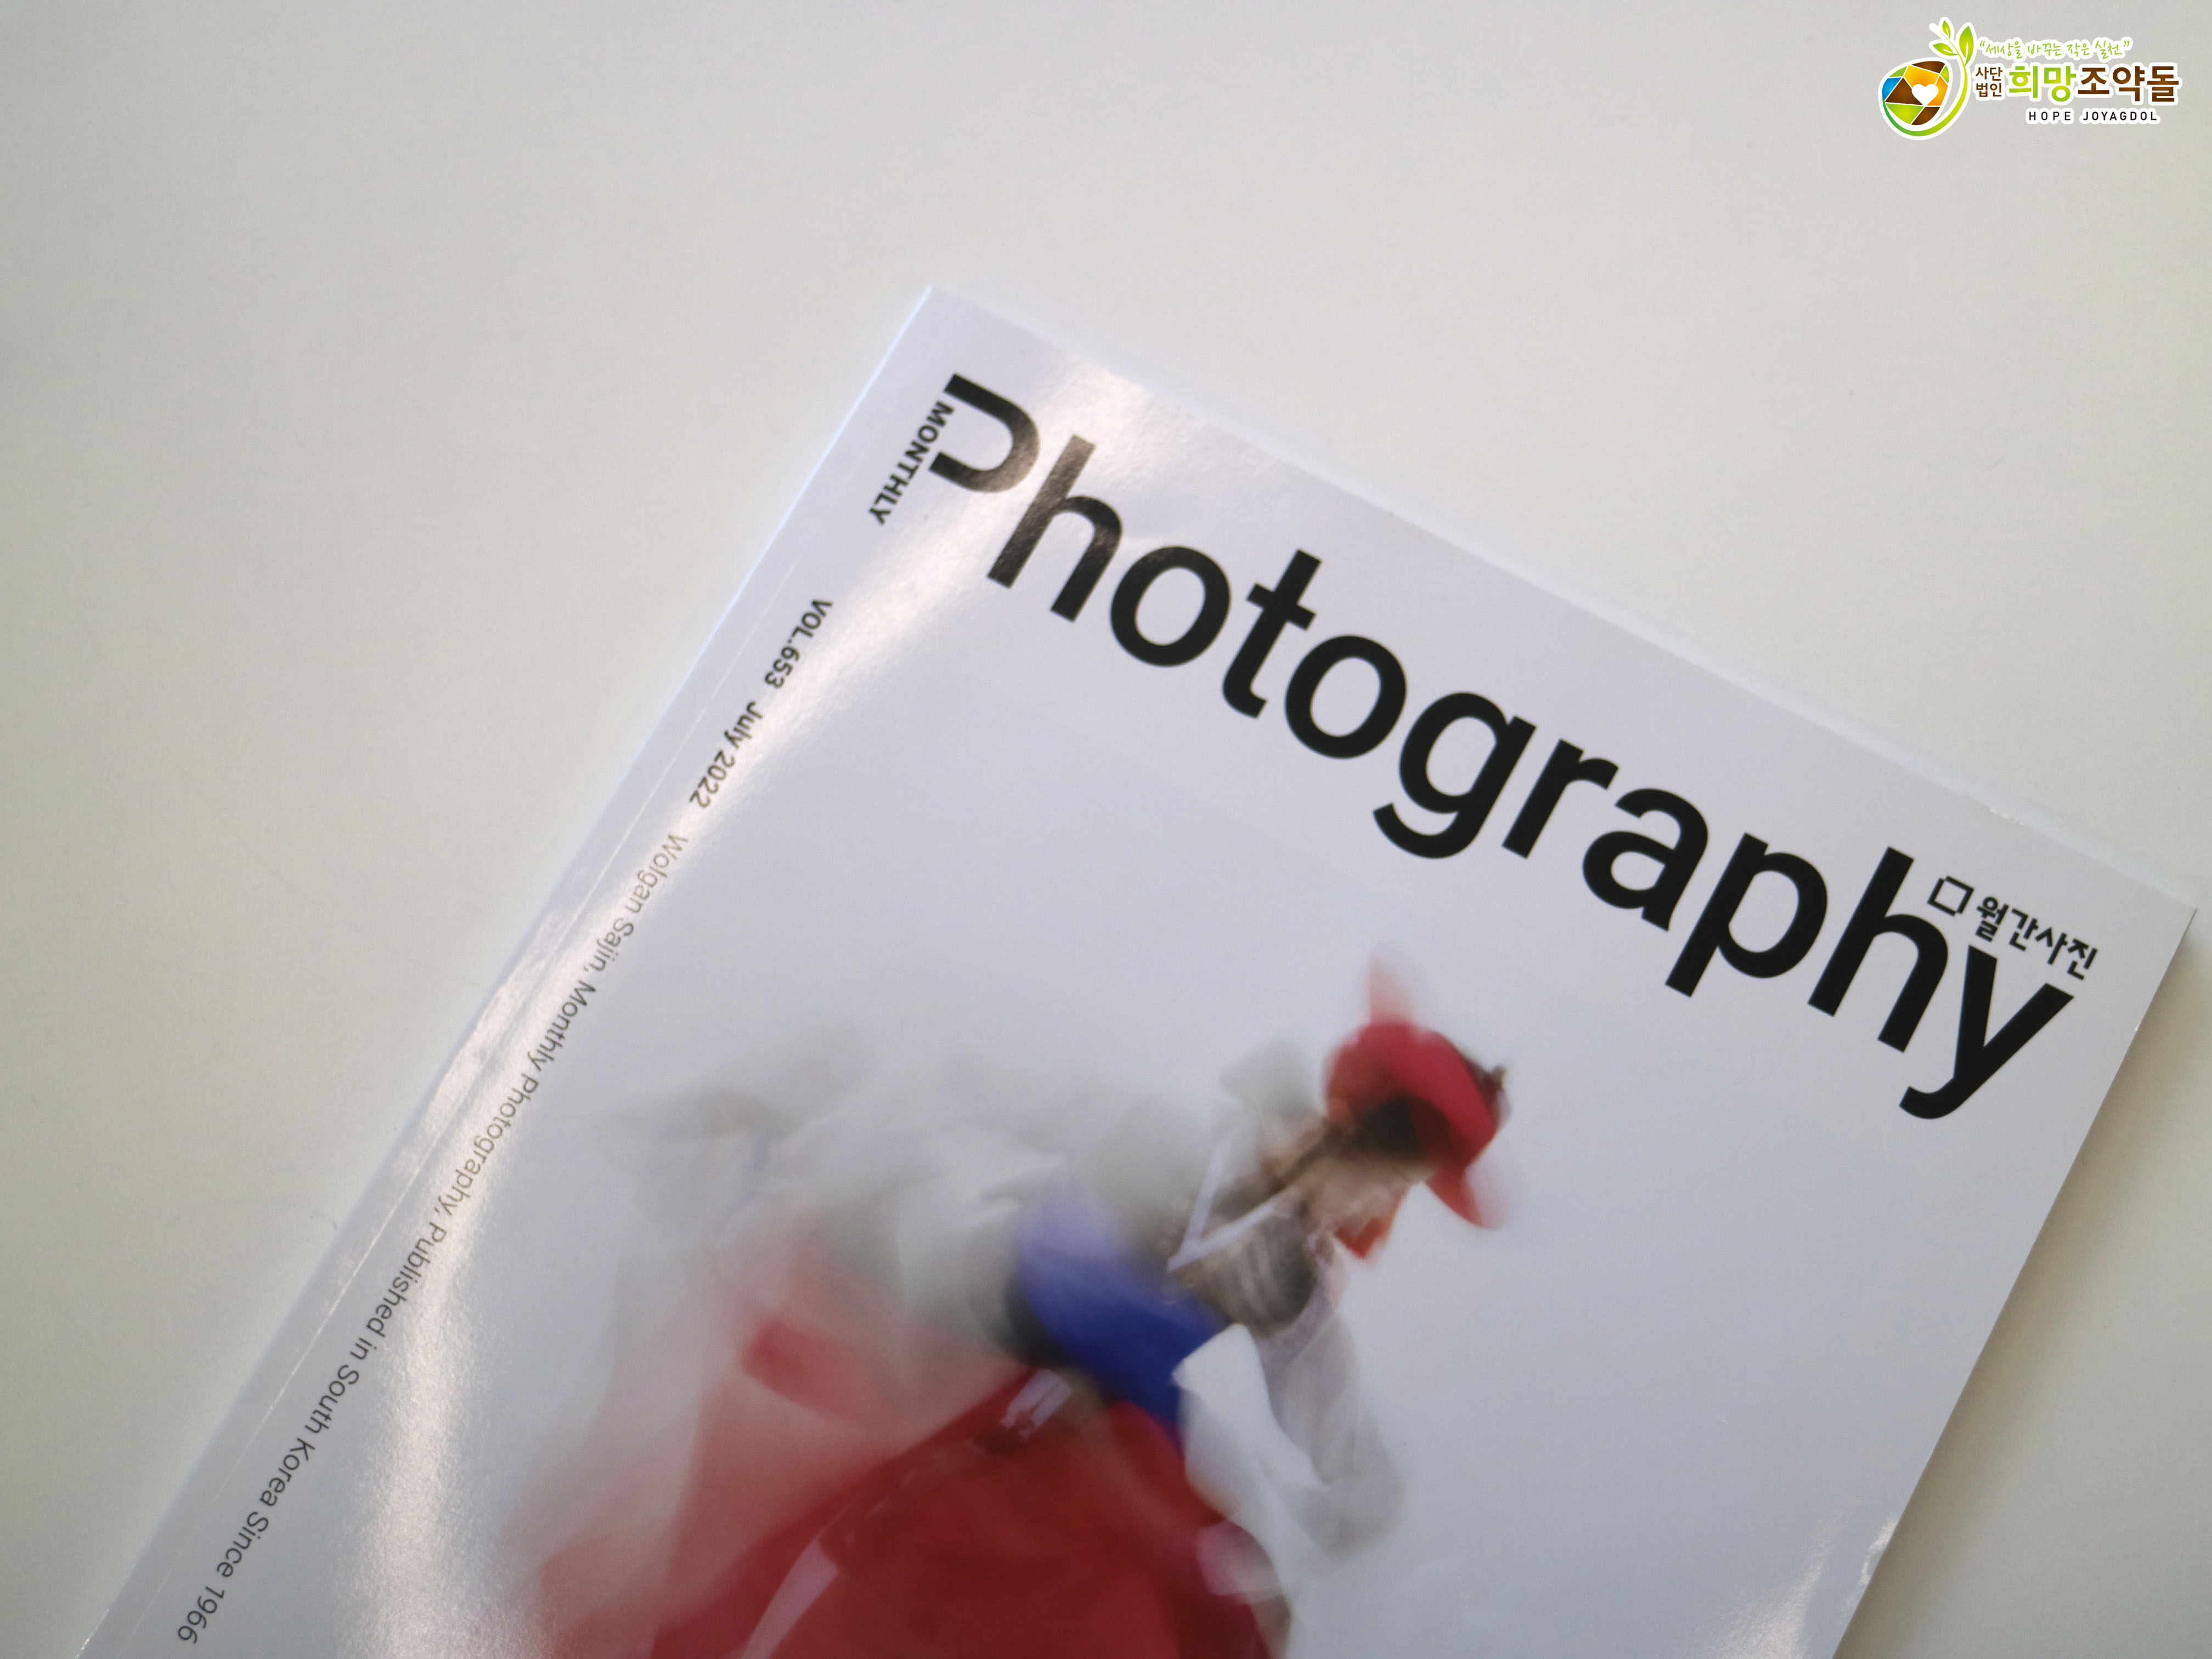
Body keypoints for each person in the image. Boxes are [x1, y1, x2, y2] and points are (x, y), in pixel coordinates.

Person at [639, 1014, 1507, 1659]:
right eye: (1391, 1181)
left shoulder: (1288, 1281)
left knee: (1126, 1609)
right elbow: (978, 1086)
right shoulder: (1155, 1138)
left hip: (1089, 1455)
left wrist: (1358, 1495)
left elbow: (1325, 1395)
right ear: (1346, 1135)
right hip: (976, 1352)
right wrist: (838, 1154)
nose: (1379, 1206)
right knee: (850, 1530)